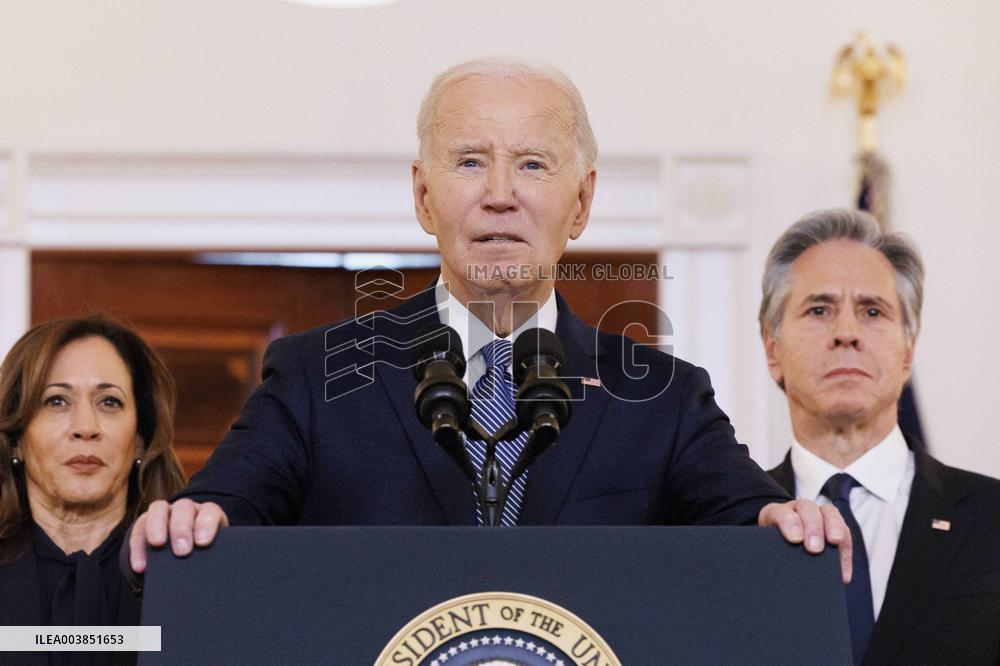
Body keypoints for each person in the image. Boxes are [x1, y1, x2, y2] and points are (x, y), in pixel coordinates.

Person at [128, 57, 850, 580]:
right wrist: (196, 519)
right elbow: (222, 507)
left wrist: (780, 522)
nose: (500, 193)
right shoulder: (318, 377)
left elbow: (749, 517)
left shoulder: (662, 396)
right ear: (423, 196)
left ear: (582, 203)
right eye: (470, 161)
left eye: (533, 164)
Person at [761, 208, 1000, 665]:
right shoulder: (731, 525)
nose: (846, 333)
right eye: (819, 309)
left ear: (908, 350)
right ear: (773, 349)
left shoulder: (992, 518)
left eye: (873, 311)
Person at [0, 316, 186, 662]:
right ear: (17, 440)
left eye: (109, 402)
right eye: (56, 401)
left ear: (140, 440)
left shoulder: (194, 578)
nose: (85, 427)